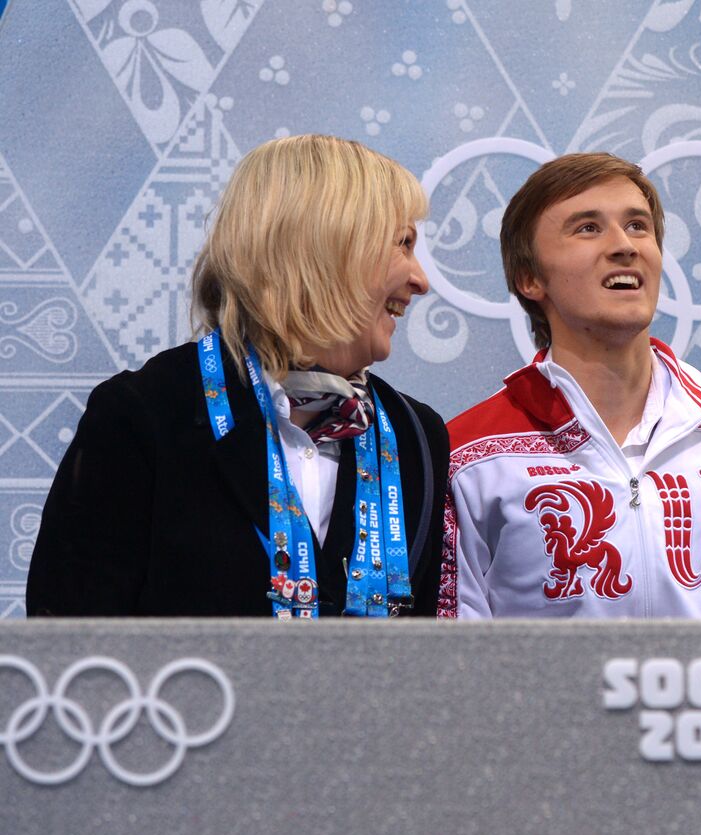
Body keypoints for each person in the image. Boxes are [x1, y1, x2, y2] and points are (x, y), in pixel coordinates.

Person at [26, 134, 449, 618]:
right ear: (326, 243)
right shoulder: (146, 413)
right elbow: (68, 648)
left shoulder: (417, 437)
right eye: (404, 244)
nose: (421, 280)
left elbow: (421, 664)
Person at [438, 152, 701, 619]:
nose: (625, 245)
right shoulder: (470, 454)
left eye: (638, 226)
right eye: (587, 228)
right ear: (530, 278)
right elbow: (451, 659)